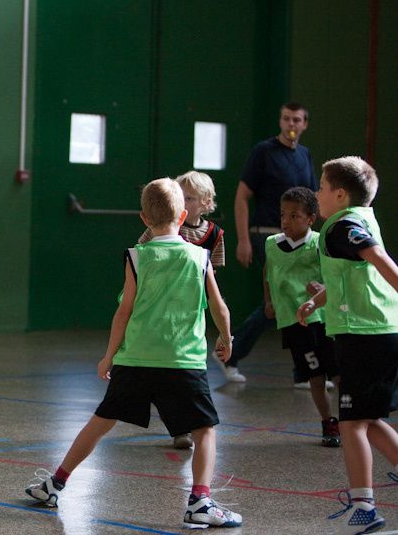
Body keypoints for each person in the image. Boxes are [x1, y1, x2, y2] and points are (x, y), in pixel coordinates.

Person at [25, 178, 242, 529]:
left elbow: (123, 311)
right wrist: (227, 338)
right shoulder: (200, 257)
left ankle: (55, 483)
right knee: (204, 431)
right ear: (183, 214)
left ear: (144, 218)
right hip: (182, 361)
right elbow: (219, 307)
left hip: (135, 359)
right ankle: (200, 500)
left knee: (99, 423)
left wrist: (109, 355)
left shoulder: (137, 257)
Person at [296, 157, 398, 534]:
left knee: (352, 423)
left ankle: (364, 507)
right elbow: (358, 276)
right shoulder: (362, 217)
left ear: (340, 194)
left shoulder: (344, 226)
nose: (317, 194)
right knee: (370, 420)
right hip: (379, 330)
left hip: (364, 336)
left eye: (321, 188)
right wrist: (317, 300)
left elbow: (380, 259)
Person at [224, 102, 318, 384]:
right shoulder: (264, 152)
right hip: (268, 235)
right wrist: (243, 239)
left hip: (300, 238)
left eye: (297, 120)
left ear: (304, 125)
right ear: (280, 121)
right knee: (278, 299)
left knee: (292, 299)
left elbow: (312, 196)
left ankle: (304, 370)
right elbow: (242, 196)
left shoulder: (305, 155)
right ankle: (233, 354)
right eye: (286, 119)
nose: (291, 124)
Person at [138, 170, 224, 450]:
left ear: (206, 202)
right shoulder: (161, 229)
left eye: (190, 197)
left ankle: (187, 423)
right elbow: (141, 255)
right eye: (181, 196)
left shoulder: (214, 235)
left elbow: (213, 277)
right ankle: (178, 428)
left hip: (191, 309)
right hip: (161, 306)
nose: (184, 201)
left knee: (185, 370)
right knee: (166, 372)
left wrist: (225, 332)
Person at [264, 187, 340, 447]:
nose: (286, 221)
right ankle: (328, 422)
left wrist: (323, 289)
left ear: (311, 218)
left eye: (294, 216)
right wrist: (269, 300)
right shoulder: (271, 244)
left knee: (338, 375)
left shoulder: (320, 242)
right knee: (315, 377)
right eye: (283, 215)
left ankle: (352, 421)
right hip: (294, 322)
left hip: (324, 319)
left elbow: (334, 276)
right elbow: (267, 273)